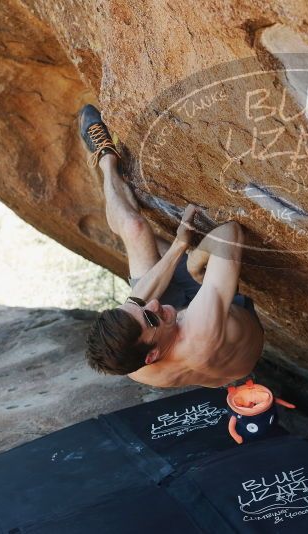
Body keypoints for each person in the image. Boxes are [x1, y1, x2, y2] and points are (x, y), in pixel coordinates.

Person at [79, 104, 264, 388]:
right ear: (152, 355)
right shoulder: (199, 333)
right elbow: (230, 233)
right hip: (211, 319)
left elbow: (143, 309)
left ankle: (106, 159)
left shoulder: (131, 359)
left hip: (176, 327)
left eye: (138, 308)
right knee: (190, 264)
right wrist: (194, 261)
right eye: (149, 318)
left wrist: (179, 245)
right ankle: (189, 265)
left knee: (135, 229)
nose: (153, 304)